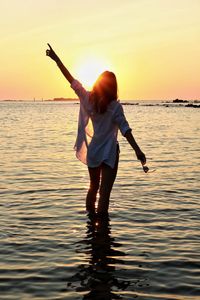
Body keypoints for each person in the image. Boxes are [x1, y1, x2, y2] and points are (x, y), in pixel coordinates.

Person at [46, 43, 146, 216]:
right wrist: (138, 151)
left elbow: (71, 80)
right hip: (109, 153)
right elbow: (125, 130)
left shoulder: (88, 99)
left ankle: (91, 225)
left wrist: (56, 60)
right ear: (113, 87)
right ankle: (102, 232)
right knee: (104, 193)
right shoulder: (115, 107)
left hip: (94, 151)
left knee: (93, 188)